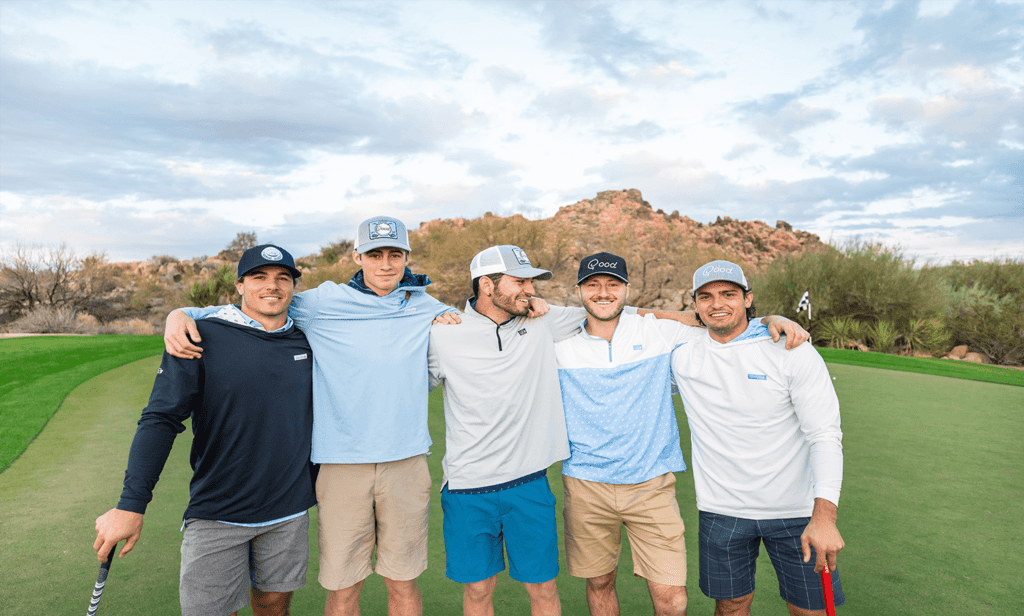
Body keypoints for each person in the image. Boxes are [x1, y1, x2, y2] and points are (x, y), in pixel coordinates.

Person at [163, 217, 463, 616]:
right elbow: (251, 307)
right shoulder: (322, 302)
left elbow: (471, 317)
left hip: (406, 462)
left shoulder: (425, 304)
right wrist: (181, 312)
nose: (386, 264)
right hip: (340, 466)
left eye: (395, 255)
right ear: (357, 256)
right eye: (375, 254)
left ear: (407, 257)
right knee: (343, 587)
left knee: (403, 582)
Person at [554, 253, 808, 616]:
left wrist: (772, 318)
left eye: (612, 284)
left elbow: (720, 320)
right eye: (593, 285)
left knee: (673, 599)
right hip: (585, 486)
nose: (603, 292)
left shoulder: (658, 330)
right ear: (579, 290)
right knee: (599, 583)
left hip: (652, 487)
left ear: (627, 289)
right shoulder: (559, 344)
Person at [93, 244, 316, 616]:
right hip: (217, 510)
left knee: (275, 605)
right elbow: (161, 419)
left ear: (293, 287)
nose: (271, 286)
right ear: (239, 286)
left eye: (282, 278)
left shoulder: (309, 338)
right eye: (258, 277)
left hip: (288, 509)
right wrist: (131, 504)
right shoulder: (199, 335)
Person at [670, 260, 845, 616]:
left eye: (728, 294)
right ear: (695, 305)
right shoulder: (682, 353)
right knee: (731, 606)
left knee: (808, 610)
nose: (717, 303)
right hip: (721, 510)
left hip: (796, 511)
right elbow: (629, 318)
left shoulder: (791, 349)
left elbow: (824, 434)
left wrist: (825, 517)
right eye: (706, 296)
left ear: (749, 298)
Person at [427, 245, 588, 616]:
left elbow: (611, 312)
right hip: (467, 488)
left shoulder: (542, 320)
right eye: (520, 281)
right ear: (487, 285)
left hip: (528, 483)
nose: (530, 290)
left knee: (543, 591)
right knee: (479, 592)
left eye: (531, 282)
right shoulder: (443, 332)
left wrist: (695, 318)